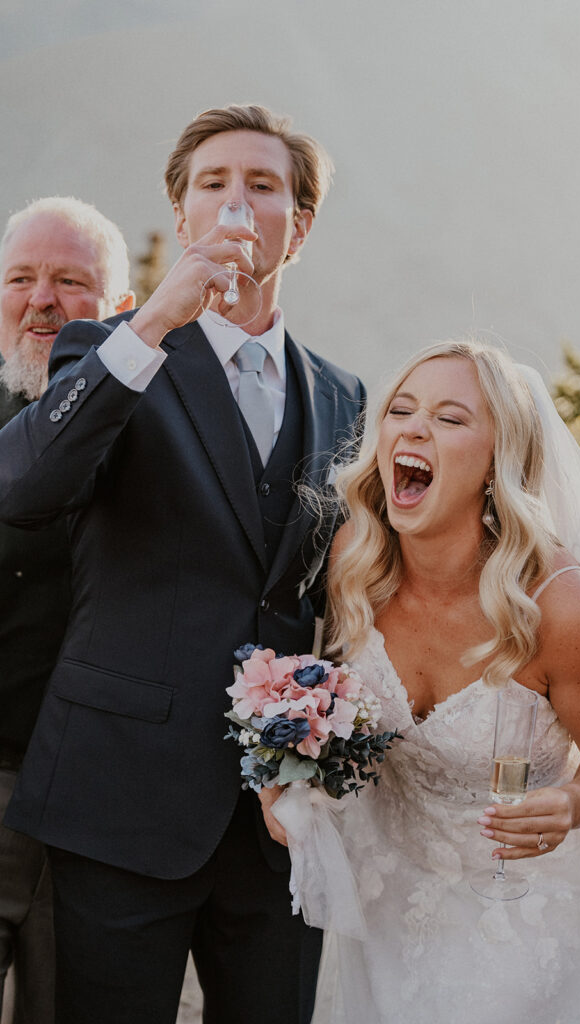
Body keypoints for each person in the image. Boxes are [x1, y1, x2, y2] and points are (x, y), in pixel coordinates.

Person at [0, 105, 365, 1024]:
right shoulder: (106, 351)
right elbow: (26, 485)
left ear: (302, 226)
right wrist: (160, 313)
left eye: (262, 186)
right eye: (213, 185)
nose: (236, 204)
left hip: (281, 814)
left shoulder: (344, 394)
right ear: (180, 211)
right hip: (120, 796)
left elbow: (345, 585)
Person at [265, 339, 580, 1023]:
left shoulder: (563, 608)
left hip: (529, 919)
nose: (414, 428)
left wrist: (571, 803)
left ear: (497, 462)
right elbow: (334, 715)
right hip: (389, 914)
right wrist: (288, 780)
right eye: (400, 410)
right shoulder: (355, 563)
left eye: (451, 419)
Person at [0, 196, 134, 1024]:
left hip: (106, 800)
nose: (41, 298)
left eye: (70, 281)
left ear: (122, 309)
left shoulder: (157, 424)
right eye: (20, 278)